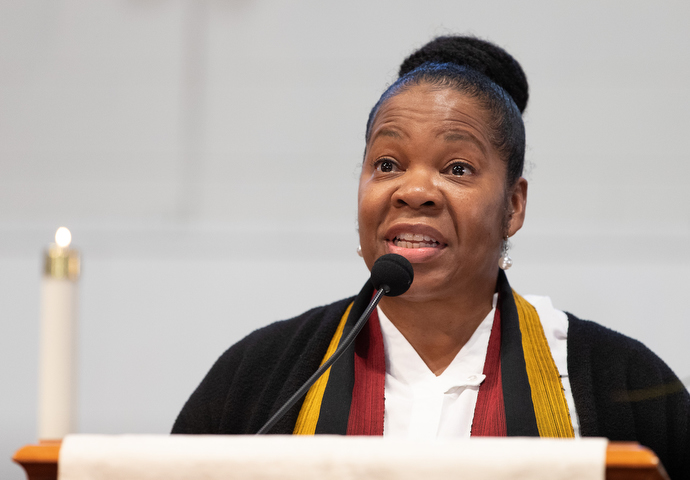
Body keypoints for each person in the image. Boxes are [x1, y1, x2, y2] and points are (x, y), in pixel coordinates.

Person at [172, 36, 689, 478]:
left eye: (457, 168)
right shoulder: (260, 376)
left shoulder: (624, 383)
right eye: (388, 163)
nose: (414, 190)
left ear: (513, 205)